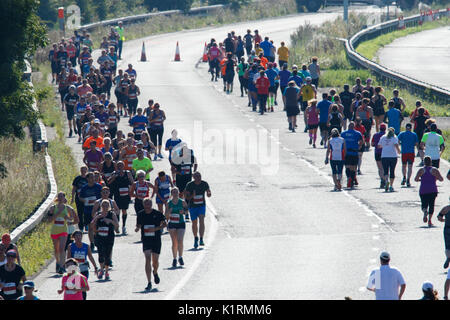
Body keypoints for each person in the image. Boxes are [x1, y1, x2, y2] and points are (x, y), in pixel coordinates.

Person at [135, 198, 167, 291]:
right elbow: (139, 225)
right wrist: (137, 228)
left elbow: (165, 224)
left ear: (151, 204)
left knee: (155, 262)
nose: (147, 206)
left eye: (149, 204)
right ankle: (149, 282)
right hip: (146, 239)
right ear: (143, 205)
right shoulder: (140, 214)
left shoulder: (157, 213)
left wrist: (156, 229)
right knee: (147, 259)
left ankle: (155, 272)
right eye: (146, 204)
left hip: (156, 239)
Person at [48, 192, 78, 274]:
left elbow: (71, 218)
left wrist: (67, 218)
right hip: (55, 229)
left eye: (62, 196)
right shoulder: (53, 208)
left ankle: (62, 266)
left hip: (63, 230)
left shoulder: (67, 208)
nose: (61, 198)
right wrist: (57, 214)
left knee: (62, 248)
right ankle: (57, 263)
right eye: (59, 196)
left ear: (64, 198)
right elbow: (49, 220)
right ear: (57, 198)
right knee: (56, 249)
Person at [91, 200, 119, 280]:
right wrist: (96, 218)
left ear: (109, 206)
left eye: (107, 205)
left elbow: (117, 225)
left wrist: (110, 221)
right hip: (100, 236)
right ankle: (101, 270)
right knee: (100, 253)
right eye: (103, 205)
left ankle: (106, 271)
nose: (105, 207)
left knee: (107, 253)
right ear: (101, 206)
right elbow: (92, 224)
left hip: (109, 236)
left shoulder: (111, 214)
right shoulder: (98, 214)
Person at [67, 230, 97, 300]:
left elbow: (90, 257)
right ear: (73, 237)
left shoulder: (86, 246)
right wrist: (68, 269)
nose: (78, 237)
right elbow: (68, 258)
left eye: (80, 236)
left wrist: (95, 267)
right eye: (76, 236)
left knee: (83, 286)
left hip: (84, 269)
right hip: (75, 271)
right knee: (78, 286)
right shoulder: (71, 246)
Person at [415, 156, 444, 227]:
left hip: (423, 190)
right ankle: (430, 220)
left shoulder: (421, 170)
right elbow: (441, 179)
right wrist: (435, 178)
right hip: (432, 189)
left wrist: (421, 180)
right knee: (431, 205)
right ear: (431, 162)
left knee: (424, 204)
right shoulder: (434, 170)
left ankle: (425, 211)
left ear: (424, 162)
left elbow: (416, 179)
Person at [185, 172, 211, 249]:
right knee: (194, 223)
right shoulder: (190, 185)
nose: (198, 177)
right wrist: (192, 196)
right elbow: (186, 197)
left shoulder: (204, 183)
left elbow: (208, 192)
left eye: (199, 176)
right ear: (193, 177)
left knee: (202, 220)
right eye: (196, 176)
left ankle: (201, 238)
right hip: (193, 206)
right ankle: (196, 237)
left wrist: (209, 193)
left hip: (201, 205)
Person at [108, 161, 134, 235]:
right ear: (116, 166)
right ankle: (117, 225)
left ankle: (124, 226)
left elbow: (132, 182)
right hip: (117, 194)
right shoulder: (114, 173)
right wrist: (114, 176)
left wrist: (131, 190)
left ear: (124, 166)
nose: (120, 167)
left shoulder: (127, 173)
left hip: (126, 195)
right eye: (118, 166)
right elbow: (108, 182)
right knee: (117, 211)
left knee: (124, 210)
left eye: (121, 165)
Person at [79, 172, 102, 250]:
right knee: (90, 228)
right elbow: (80, 197)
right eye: (91, 177)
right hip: (87, 210)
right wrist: (85, 200)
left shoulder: (98, 187)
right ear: (87, 179)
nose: (93, 179)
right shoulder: (84, 188)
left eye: (94, 177)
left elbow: (102, 197)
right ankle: (92, 243)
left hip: (97, 211)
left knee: (97, 227)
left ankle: (97, 241)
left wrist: (98, 203)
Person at [165, 188, 188, 268]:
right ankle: (174, 258)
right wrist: (169, 212)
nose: (175, 194)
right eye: (173, 192)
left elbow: (187, 212)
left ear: (179, 193)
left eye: (176, 192)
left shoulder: (182, 202)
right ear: (171, 194)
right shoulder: (169, 203)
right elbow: (166, 215)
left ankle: (180, 257)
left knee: (180, 240)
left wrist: (184, 212)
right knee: (174, 242)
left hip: (181, 223)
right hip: (172, 224)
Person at [378, 128, 401, 192]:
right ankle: (391, 185)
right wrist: (399, 151)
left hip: (384, 156)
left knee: (385, 170)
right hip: (393, 156)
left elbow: (379, 146)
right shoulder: (394, 137)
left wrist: (385, 146)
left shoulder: (383, 137)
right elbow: (396, 145)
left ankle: (386, 181)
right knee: (392, 170)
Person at [341, 122, 363, 188]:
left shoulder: (343, 133)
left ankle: (348, 178)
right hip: (354, 152)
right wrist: (359, 146)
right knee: (353, 167)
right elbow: (361, 141)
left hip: (347, 153)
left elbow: (341, 142)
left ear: (348, 126)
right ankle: (352, 180)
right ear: (354, 127)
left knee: (347, 166)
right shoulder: (357, 133)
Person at [371, 123, 387, 188]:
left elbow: (372, 144)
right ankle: (386, 180)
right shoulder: (387, 135)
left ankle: (382, 179)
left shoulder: (375, 135)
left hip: (377, 152)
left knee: (380, 168)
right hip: (385, 153)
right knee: (385, 167)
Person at [437, 205, 450, 269]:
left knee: (447, 246)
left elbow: (439, 217)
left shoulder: (446, 208)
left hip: (447, 229)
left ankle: (448, 257)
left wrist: (445, 220)